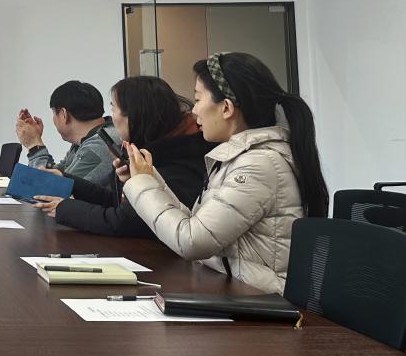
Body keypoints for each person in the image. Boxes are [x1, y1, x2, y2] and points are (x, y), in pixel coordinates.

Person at [121, 52, 329, 294]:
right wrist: (148, 179)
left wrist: (142, 185)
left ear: (227, 108)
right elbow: (197, 226)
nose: (194, 111)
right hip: (234, 292)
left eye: (198, 99)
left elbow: (192, 241)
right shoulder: (241, 158)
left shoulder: (259, 165)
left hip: (260, 303)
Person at [32, 77, 212, 238]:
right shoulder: (153, 151)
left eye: (114, 108)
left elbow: (124, 221)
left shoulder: (176, 162)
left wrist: (65, 208)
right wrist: (68, 181)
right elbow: (117, 202)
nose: (111, 118)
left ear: (134, 115)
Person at [16, 80, 120, 187]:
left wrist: (34, 145)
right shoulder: (90, 139)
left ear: (63, 114)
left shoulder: (99, 145)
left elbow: (48, 188)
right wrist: (36, 142)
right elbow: (56, 175)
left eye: (54, 113)